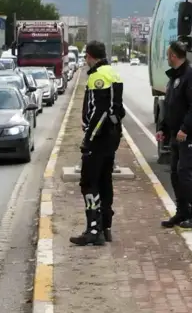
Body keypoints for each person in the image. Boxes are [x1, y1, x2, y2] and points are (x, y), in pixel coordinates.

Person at [70, 40, 124, 246]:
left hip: (99, 139)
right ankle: (105, 226)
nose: (85, 61)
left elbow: (98, 112)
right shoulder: (113, 72)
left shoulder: (98, 76)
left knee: (88, 183)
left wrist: (89, 138)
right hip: (112, 136)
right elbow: (117, 110)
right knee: (105, 181)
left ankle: (93, 229)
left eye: (85, 57)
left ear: (91, 56)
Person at [155, 40, 192, 229]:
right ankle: (182, 210)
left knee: (185, 172)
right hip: (176, 135)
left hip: (189, 135)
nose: (167, 57)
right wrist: (162, 128)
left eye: (168, 54)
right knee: (175, 173)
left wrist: (185, 129)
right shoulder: (174, 77)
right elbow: (169, 106)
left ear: (173, 56)